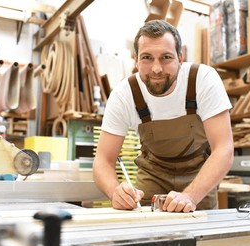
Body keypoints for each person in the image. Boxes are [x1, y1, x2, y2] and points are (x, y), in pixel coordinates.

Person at [93, 19, 234, 213]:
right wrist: (114, 191)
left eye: (166, 57)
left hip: (199, 175)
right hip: (153, 174)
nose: (157, 69)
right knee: (145, 234)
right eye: (147, 58)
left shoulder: (202, 80)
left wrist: (190, 196)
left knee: (202, 237)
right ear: (136, 60)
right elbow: (103, 160)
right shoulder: (124, 94)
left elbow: (223, 149)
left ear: (180, 57)